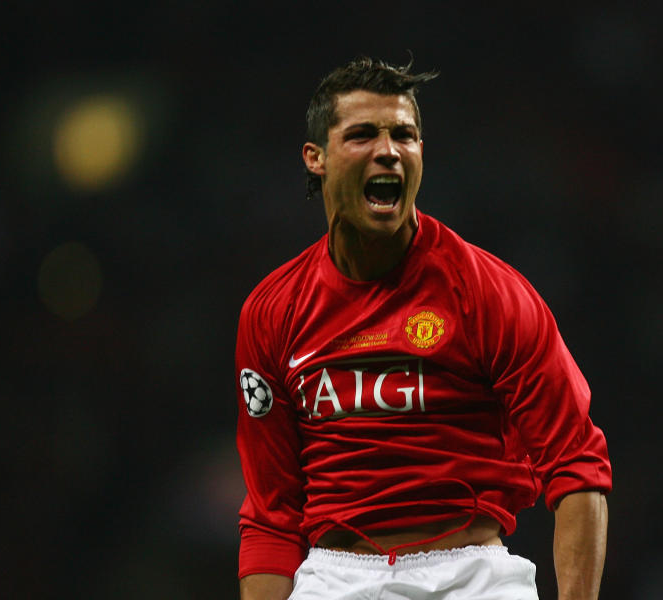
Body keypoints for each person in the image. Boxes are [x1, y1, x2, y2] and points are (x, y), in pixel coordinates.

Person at [234, 56, 612, 600]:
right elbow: (272, 516)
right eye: (363, 134)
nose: (387, 149)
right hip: (334, 579)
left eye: (404, 136)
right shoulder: (272, 312)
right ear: (315, 158)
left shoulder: (488, 292)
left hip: (472, 577)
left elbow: (577, 464)